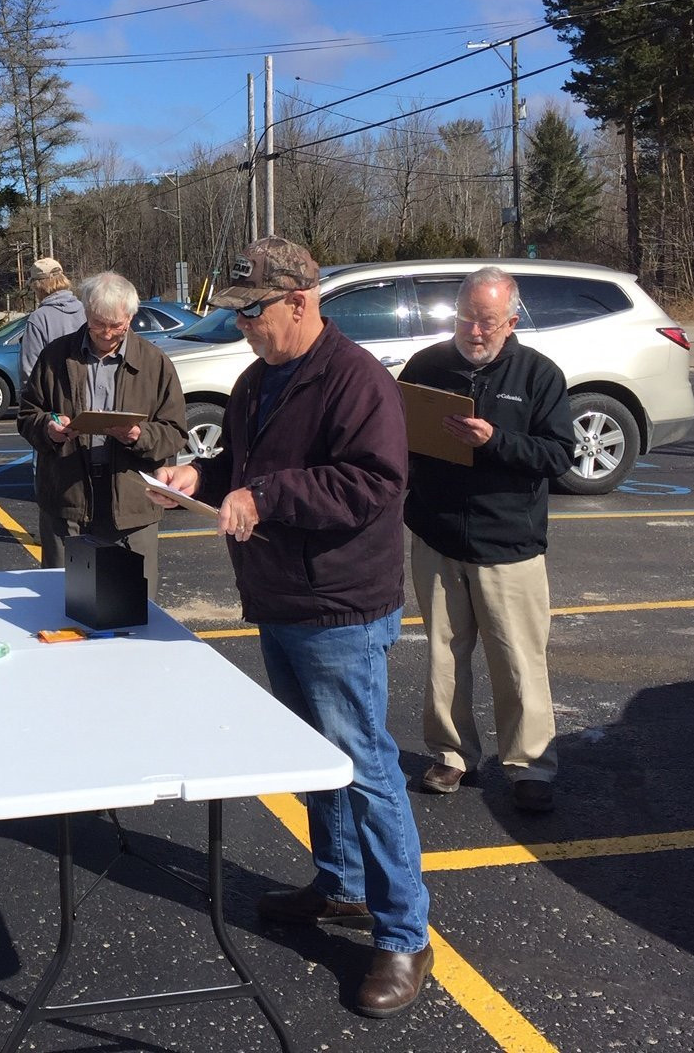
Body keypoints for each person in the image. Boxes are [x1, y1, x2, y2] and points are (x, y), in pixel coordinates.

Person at [147, 237, 433, 1019]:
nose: (243, 326)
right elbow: (239, 460)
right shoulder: (255, 380)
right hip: (279, 598)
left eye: (253, 312)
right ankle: (340, 887)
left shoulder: (357, 379)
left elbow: (371, 483)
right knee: (317, 759)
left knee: (365, 765)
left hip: (340, 606)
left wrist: (266, 498)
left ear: (301, 302)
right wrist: (197, 477)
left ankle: (405, 932)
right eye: (238, 314)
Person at [399, 267, 576, 814]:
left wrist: (495, 440)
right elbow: (398, 435)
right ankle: (452, 755)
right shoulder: (428, 366)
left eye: (487, 322)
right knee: (444, 654)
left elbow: (559, 456)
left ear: (512, 321)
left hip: (509, 543)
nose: (474, 332)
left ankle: (529, 765)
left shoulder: (539, 376)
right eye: (467, 319)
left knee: (519, 659)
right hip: (438, 533)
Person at [17, 271, 188, 598]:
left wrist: (139, 435)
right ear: (85, 312)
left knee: (132, 610)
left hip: (131, 508)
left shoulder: (155, 363)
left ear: (131, 317)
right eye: (98, 324)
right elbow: (28, 415)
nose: (107, 334)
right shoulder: (55, 356)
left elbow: (175, 431)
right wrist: (49, 431)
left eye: (117, 325)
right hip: (67, 502)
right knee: (62, 608)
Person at [19, 256, 86, 381]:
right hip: (85, 390)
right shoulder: (84, 310)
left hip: (53, 394)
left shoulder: (39, 318)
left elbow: (30, 370)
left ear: (38, 286)